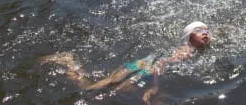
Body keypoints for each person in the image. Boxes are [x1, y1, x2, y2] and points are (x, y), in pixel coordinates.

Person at [39, 21, 211, 104]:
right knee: (107, 87)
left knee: (102, 86)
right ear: (188, 36)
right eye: (198, 30)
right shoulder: (187, 50)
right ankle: (69, 60)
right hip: (145, 67)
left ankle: (70, 62)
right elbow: (162, 63)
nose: (204, 33)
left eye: (206, 31)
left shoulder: (189, 49)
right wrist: (155, 87)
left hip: (144, 65)